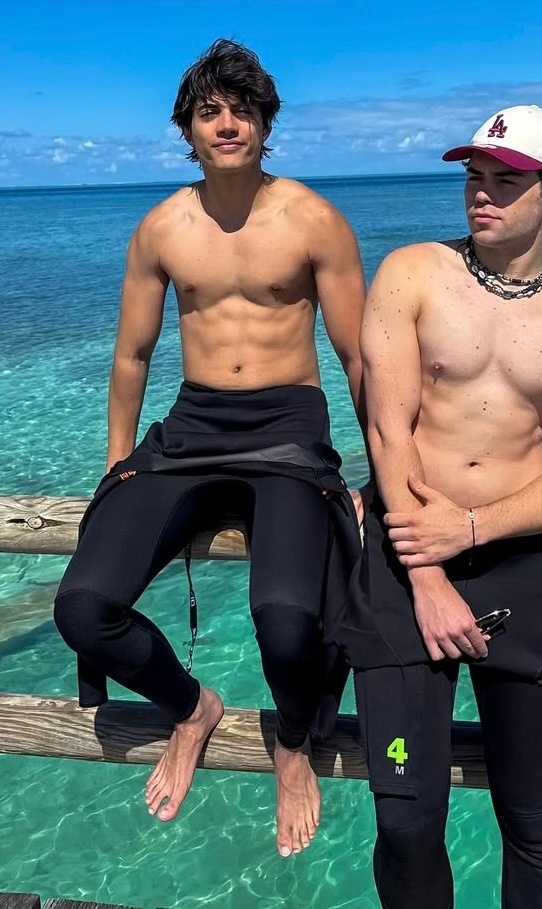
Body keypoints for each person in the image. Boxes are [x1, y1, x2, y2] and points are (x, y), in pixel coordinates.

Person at [53, 38, 366, 858]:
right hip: (191, 430)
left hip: (288, 429)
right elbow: (132, 355)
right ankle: (192, 708)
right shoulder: (162, 226)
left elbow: (358, 358)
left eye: (242, 110)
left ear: (265, 124)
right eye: (209, 111)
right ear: (187, 129)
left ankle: (291, 743)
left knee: (287, 621)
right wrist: (117, 462)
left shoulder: (314, 220)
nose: (226, 124)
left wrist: (381, 475)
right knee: (83, 608)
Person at [337, 105, 542, 908]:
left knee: (537, 825)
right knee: (404, 819)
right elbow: (386, 427)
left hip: (517, 559)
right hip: (405, 555)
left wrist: (468, 528)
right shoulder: (411, 272)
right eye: (474, 176)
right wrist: (427, 572)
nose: (481, 193)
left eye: (506, 180)